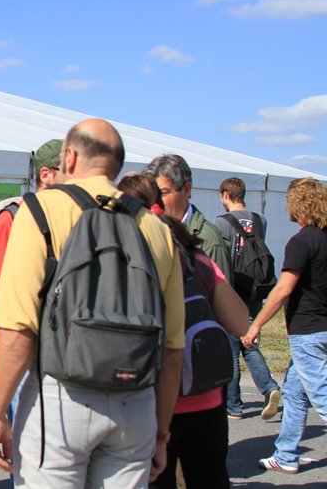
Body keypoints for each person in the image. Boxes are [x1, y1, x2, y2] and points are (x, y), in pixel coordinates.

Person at [0, 119, 185, 487]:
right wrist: (161, 433)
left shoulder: (40, 210)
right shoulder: (156, 229)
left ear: (70, 157)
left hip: (60, 396)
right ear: (117, 165)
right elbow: (172, 348)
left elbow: (18, 329)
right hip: (135, 401)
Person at [118, 174, 249, 489]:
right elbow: (239, 322)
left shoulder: (129, 257)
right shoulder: (194, 253)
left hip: (150, 403)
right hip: (207, 397)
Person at [243, 177, 327, 475]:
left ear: (298, 204)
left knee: (321, 395)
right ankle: (286, 455)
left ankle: (287, 454)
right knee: (293, 392)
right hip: (319, 328)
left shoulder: (302, 241)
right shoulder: (323, 238)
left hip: (308, 332)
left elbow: (283, 289)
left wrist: (255, 326)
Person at [0, 139, 63, 391]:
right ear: (47, 175)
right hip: (29, 356)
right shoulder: (15, 216)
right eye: (72, 171)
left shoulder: (87, 215)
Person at [214, 177, 281, 420]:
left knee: (231, 349)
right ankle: (270, 387)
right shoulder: (260, 220)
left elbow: (222, 259)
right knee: (249, 342)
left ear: (225, 195)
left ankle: (234, 406)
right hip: (255, 290)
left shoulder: (221, 223)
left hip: (233, 290)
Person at [143, 154, 232, 284]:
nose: (155, 201)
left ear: (187, 190)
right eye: (152, 193)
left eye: (163, 193)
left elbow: (222, 299)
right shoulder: (150, 231)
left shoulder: (208, 239)